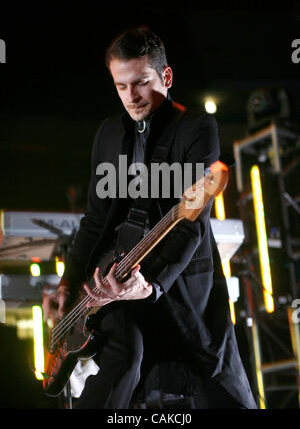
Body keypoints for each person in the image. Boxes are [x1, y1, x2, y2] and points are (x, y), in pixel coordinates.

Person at [43, 26, 257, 409]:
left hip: (182, 283)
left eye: (140, 83)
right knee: (123, 366)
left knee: (225, 393)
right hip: (114, 279)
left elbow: (191, 224)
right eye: (121, 86)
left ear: (166, 77)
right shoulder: (108, 135)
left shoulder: (196, 129)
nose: (132, 96)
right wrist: (67, 284)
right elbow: (94, 221)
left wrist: (152, 285)